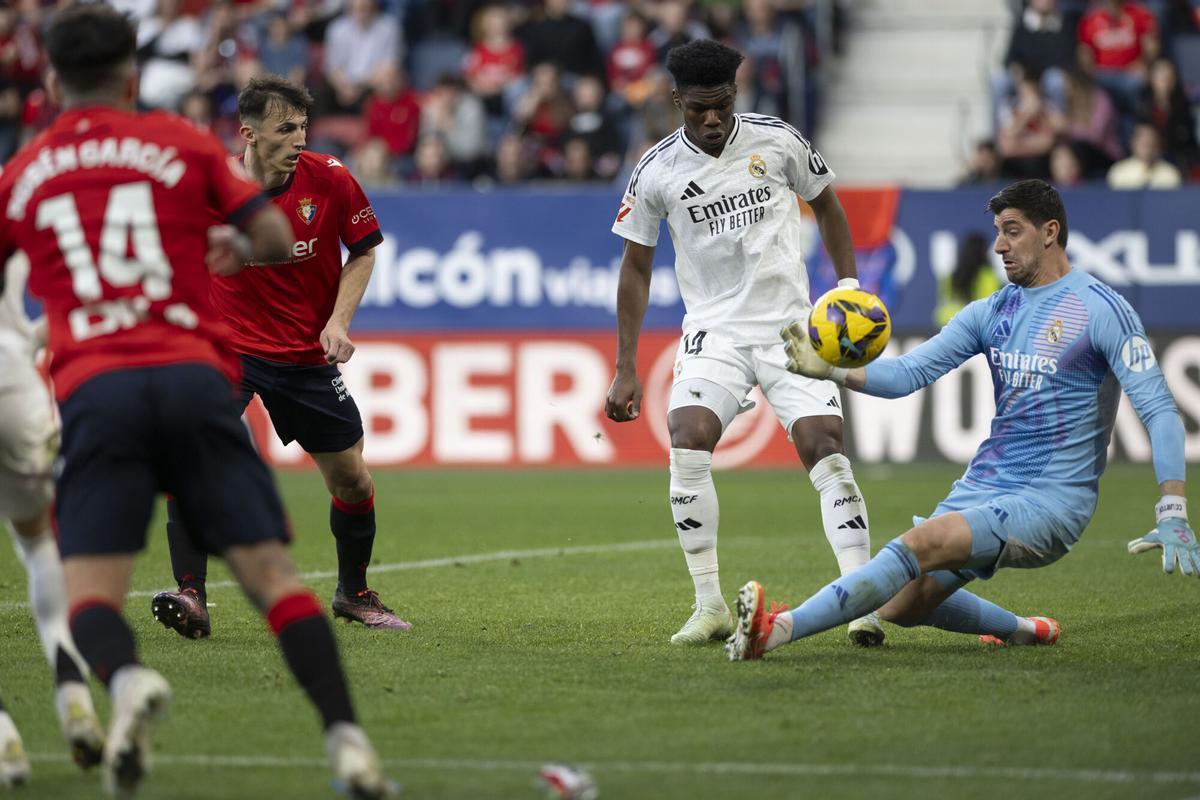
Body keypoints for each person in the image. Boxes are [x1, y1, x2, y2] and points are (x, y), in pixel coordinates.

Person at [0, 6, 392, 796]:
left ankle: (123, 684)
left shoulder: (27, 170)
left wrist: (32, 327)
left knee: (86, 593)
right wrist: (235, 243)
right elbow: (271, 237)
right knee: (275, 577)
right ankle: (347, 740)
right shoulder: (178, 147)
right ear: (131, 78)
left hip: (95, 383)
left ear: (47, 81)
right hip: (195, 366)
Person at [729, 179, 1196, 662]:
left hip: (1052, 499)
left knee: (921, 543)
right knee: (897, 604)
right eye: (998, 231)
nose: (999, 245)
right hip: (985, 483)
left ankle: (775, 629)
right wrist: (830, 369)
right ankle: (1025, 629)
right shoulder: (994, 310)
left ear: (1050, 232)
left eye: (1012, 231)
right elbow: (908, 373)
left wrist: (1173, 509)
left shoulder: (1102, 309)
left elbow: (1160, 409)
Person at [606, 39, 884, 648]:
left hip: (791, 327)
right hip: (716, 331)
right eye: (699, 107)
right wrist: (626, 365)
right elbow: (635, 267)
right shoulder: (656, 171)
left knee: (824, 448)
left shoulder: (777, 140)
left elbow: (829, 207)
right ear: (676, 99)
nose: (712, 118)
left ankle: (861, 598)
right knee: (688, 437)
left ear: (737, 93)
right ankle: (707, 605)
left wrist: (846, 291)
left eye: (723, 104)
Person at [151, 74, 409, 637]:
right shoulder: (207, 185)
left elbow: (364, 251)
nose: (299, 140)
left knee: (353, 482)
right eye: (285, 129)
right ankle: (190, 593)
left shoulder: (331, 179)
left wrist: (338, 321)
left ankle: (353, 593)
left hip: (304, 355)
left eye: (303, 128)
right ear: (247, 133)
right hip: (228, 349)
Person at [0, 252, 104, 786]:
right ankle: (72, 689)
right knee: (39, 541)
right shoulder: (14, 193)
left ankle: (3, 739)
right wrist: (27, 340)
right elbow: (73, 296)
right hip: (13, 382)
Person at [1106, 121, 1182, 188]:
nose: (1147, 146)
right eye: (1143, 142)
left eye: (1151, 141)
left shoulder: (1170, 174)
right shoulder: (1119, 172)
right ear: (1133, 143)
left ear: (1158, 145)